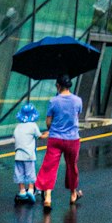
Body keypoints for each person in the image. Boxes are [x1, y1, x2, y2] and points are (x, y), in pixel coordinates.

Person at [36, 75, 83, 211]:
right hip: (72, 139)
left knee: (50, 166)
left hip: (56, 138)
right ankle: (73, 194)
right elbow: (76, 117)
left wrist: (52, 128)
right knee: (71, 166)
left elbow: (49, 122)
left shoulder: (53, 101)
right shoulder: (77, 101)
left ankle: (48, 197)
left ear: (58, 86)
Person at [13, 102, 44, 204]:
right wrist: (49, 133)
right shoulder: (33, 126)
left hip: (18, 155)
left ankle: (22, 191)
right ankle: (30, 190)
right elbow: (40, 136)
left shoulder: (18, 126)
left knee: (19, 173)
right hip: (29, 155)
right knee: (30, 173)